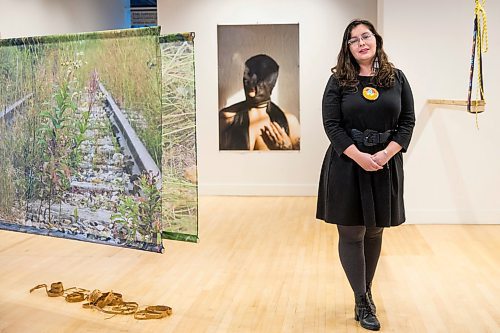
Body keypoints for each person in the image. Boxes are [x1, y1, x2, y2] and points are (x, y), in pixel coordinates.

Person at [316, 19, 415, 331]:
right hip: (348, 163)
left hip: (384, 164)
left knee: (375, 231)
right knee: (352, 231)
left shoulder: (396, 78)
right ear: (347, 47)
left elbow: (408, 121)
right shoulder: (338, 82)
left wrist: (386, 154)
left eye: (366, 36)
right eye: (353, 39)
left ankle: (366, 291)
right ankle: (361, 299)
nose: (361, 42)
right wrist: (359, 156)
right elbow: (332, 125)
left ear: (376, 40)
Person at [219, 54, 300, 150]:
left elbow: (304, 163)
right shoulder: (226, 119)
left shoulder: (289, 122)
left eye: (259, 75)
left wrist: (288, 149)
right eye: (248, 74)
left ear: (271, 83)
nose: (249, 81)